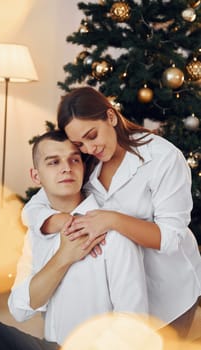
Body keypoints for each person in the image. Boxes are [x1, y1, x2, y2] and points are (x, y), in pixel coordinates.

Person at [23, 86, 201, 339]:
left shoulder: (163, 158)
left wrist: (112, 220)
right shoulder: (84, 160)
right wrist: (65, 222)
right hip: (118, 293)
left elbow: (171, 238)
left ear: (111, 117)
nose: (88, 148)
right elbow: (37, 205)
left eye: (92, 135)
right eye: (79, 143)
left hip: (169, 291)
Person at [0, 129, 148, 350]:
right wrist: (63, 257)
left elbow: (133, 323)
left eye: (74, 160)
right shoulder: (38, 230)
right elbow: (20, 308)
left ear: (83, 168)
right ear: (36, 176)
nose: (66, 168)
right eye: (54, 162)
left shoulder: (112, 232)